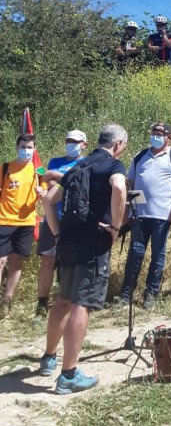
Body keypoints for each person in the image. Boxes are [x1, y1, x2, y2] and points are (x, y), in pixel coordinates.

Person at [38, 123, 128, 394]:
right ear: (118, 144)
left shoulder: (76, 166)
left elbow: (48, 200)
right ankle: (68, 374)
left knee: (62, 300)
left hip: (67, 241)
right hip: (92, 242)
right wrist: (115, 227)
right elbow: (120, 190)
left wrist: (56, 231)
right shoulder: (113, 166)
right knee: (81, 304)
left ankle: (48, 358)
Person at [120, 122, 171, 309]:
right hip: (139, 215)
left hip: (162, 215)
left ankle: (150, 295)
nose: (155, 136)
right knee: (135, 254)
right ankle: (125, 296)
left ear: (169, 137)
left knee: (158, 255)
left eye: (160, 133)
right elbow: (130, 184)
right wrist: (127, 211)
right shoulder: (140, 156)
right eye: (153, 133)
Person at [36, 130, 88, 317]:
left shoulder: (86, 163)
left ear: (84, 145)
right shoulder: (55, 162)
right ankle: (41, 303)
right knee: (47, 260)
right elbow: (46, 179)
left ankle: (69, 300)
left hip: (75, 220)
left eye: (75, 141)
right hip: (52, 218)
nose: (71, 144)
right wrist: (60, 178)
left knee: (73, 261)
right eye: (68, 140)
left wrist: (56, 177)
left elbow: (81, 184)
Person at [0, 133, 45, 315]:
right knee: (1, 260)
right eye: (23, 147)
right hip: (4, 220)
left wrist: (43, 191)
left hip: (26, 223)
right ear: (17, 147)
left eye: (29, 147)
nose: (26, 150)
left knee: (17, 262)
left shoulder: (38, 171)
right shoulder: (5, 168)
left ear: (34, 150)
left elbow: (46, 191)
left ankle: (7, 300)